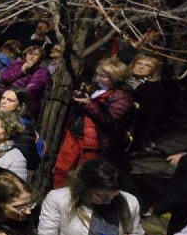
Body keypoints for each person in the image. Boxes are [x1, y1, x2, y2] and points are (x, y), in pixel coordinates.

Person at [54, 57, 134, 188]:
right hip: (75, 134)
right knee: (61, 169)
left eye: (103, 76)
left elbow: (109, 119)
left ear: (114, 78)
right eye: (98, 74)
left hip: (93, 141)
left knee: (84, 175)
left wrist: (89, 103)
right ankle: (57, 197)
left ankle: (78, 202)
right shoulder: (96, 88)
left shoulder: (122, 97)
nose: (98, 78)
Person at [0, 45, 50, 118]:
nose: (31, 56)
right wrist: (22, 70)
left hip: (26, 108)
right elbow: (4, 78)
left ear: (40, 58)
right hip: (6, 100)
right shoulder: (16, 64)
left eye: (35, 55)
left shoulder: (42, 71)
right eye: (29, 53)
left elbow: (31, 90)